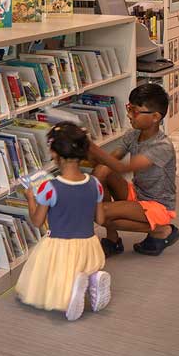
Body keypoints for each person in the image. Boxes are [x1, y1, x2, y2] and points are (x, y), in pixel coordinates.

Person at [16, 122, 112, 321]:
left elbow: (37, 221)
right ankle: (93, 277)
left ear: (54, 153)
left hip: (60, 247)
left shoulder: (50, 188)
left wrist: (30, 198)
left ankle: (70, 296)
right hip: (89, 246)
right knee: (82, 267)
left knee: (54, 276)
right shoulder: (95, 183)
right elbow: (101, 219)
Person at [89, 82, 179, 256]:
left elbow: (123, 168)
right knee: (102, 170)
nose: (129, 115)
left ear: (155, 117)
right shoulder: (132, 135)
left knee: (101, 212)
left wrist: (91, 148)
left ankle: (161, 229)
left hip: (158, 206)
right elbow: (108, 161)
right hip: (137, 194)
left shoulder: (162, 146)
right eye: (129, 108)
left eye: (135, 111)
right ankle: (113, 240)